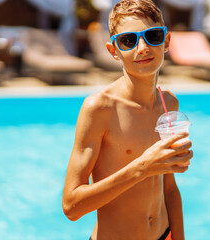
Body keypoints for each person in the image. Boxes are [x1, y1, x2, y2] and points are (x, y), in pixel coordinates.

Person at [62, 0, 193, 239]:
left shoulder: (168, 103)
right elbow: (71, 206)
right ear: (113, 50)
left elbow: (170, 189)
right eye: (128, 40)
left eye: (153, 35)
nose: (142, 48)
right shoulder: (100, 108)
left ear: (166, 42)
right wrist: (142, 167)